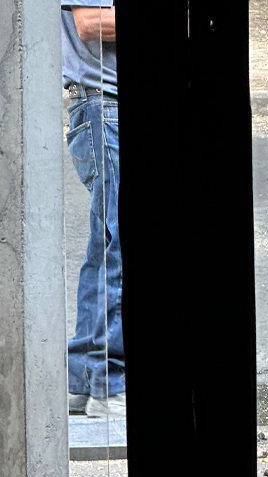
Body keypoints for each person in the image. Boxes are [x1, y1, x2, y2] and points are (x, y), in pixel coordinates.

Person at [62, 1, 124, 418]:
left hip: (102, 109)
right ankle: (110, 386)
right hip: (105, 108)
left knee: (106, 248)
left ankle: (85, 378)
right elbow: (90, 23)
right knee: (120, 249)